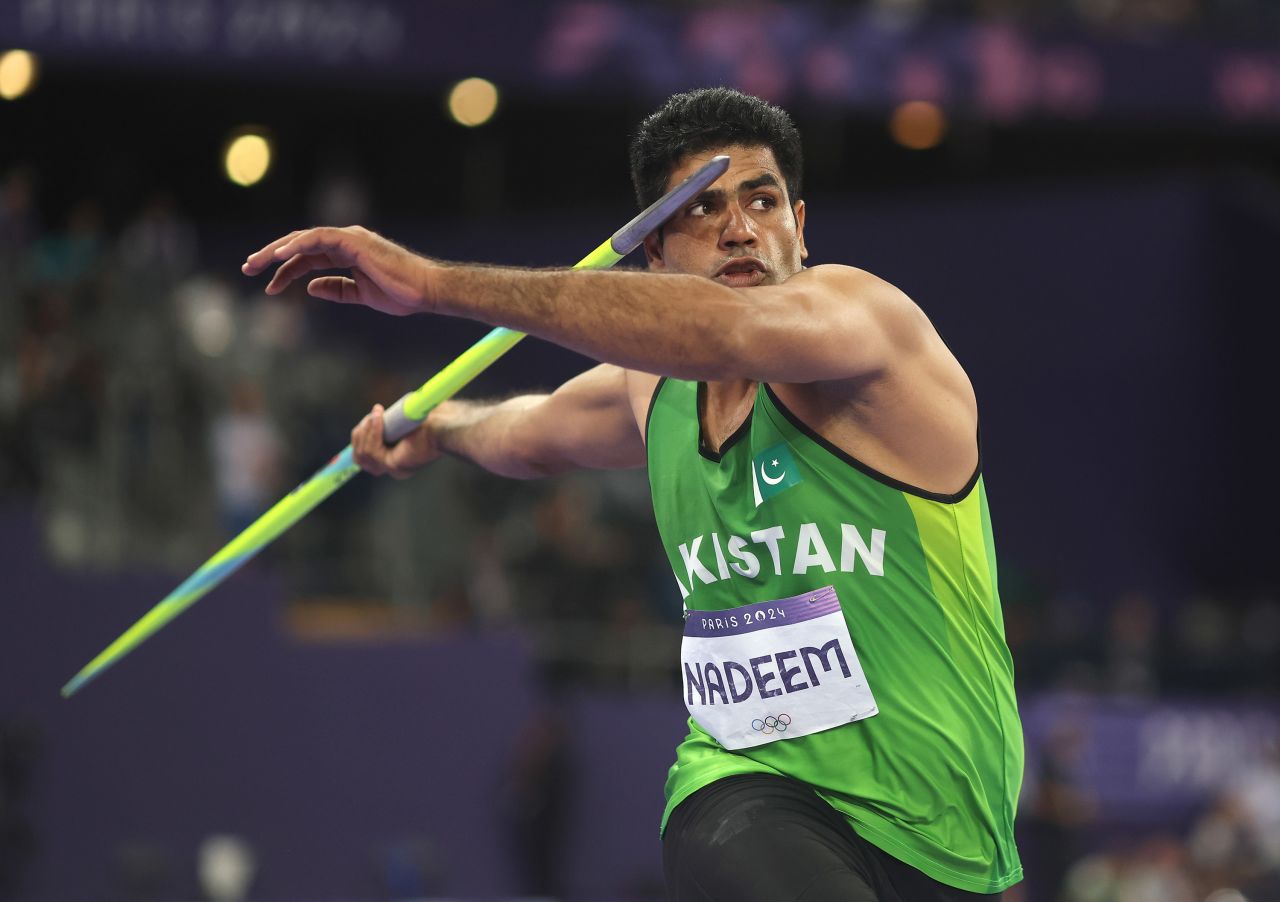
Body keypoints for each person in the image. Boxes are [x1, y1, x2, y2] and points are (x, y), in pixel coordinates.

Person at [243, 87, 1023, 901]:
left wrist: (435, 284)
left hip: (949, 833)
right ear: (653, 255)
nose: (739, 226)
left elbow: (732, 329)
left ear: (801, 224)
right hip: (747, 789)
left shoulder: (869, 327)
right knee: (733, 819)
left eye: (762, 200)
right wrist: (437, 429)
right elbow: (531, 431)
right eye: (703, 207)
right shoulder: (652, 393)